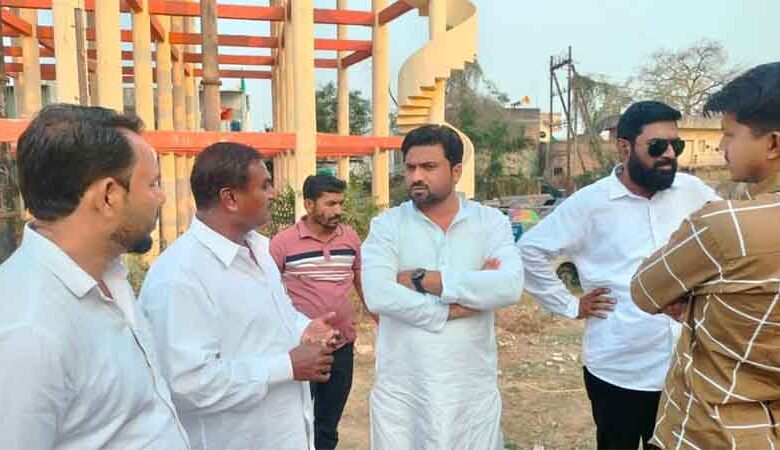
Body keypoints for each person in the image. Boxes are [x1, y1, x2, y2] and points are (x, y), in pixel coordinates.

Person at [518, 101, 720, 449]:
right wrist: (570, 305)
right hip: (618, 370)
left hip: (684, 369)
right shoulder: (591, 203)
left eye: (676, 145)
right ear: (624, 148)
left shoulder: (693, 192)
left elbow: (732, 234)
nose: (669, 154)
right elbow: (529, 251)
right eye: (657, 146)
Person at [0, 104, 190, 449]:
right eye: (153, 184)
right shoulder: (26, 331)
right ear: (108, 196)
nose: (161, 197)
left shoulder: (108, 275)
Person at [139, 142, 339, 450]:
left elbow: (276, 315)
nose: (273, 194)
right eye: (265, 186)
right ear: (230, 198)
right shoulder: (179, 276)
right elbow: (189, 384)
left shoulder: (260, 250)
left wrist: (305, 328)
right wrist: (286, 366)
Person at [631, 62, 780, 449]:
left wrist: (697, 296)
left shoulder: (725, 225)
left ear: (773, 144)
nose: (720, 147)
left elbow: (645, 291)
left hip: (707, 433)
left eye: (729, 134)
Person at [361, 124, 525, 449]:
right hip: (404, 393)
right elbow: (378, 294)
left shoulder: (489, 222)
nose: (416, 176)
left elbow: (509, 286)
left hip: (470, 392)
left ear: (456, 171)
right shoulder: (387, 225)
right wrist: (453, 307)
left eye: (429, 167)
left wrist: (424, 280)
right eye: (410, 167)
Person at [270, 174, 367, 450]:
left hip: (342, 347)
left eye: (340, 203)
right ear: (309, 204)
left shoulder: (350, 238)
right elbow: (266, 291)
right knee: (295, 422)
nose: (338, 210)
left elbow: (362, 282)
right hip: (302, 349)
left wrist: (379, 317)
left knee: (327, 424)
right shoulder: (283, 243)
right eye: (330, 204)